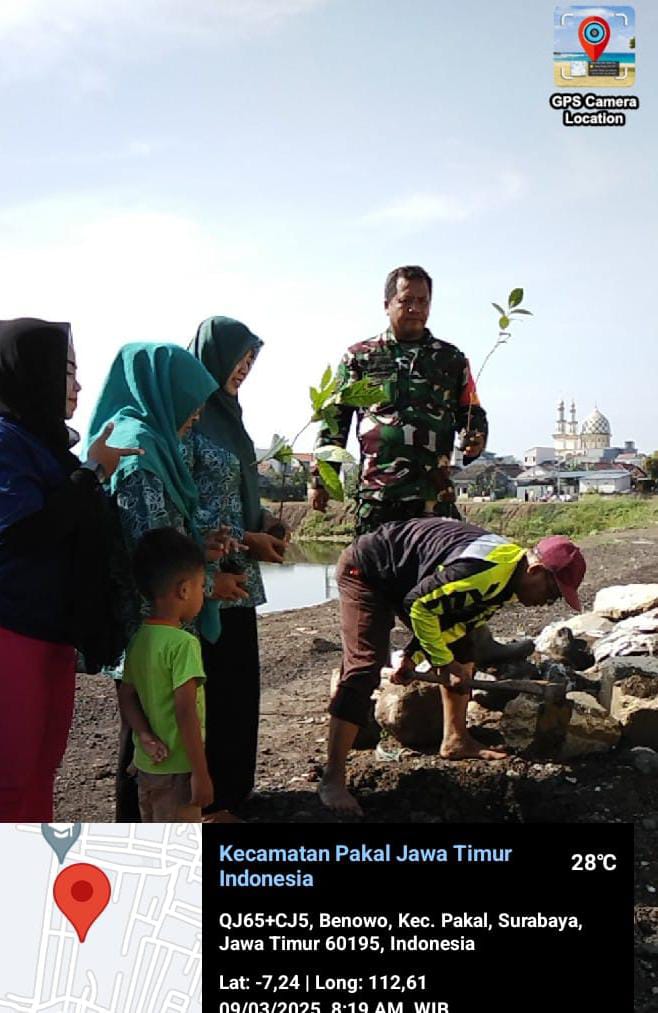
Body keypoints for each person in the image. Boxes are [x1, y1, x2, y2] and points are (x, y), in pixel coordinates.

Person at [318, 519, 586, 815]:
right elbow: (418, 605)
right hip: (367, 568)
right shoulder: (486, 572)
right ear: (536, 571)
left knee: (462, 646)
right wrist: (444, 664)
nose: (549, 602)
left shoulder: (509, 579)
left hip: (407, 579)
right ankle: (333, 778)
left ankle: (456, 739)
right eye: (552, 592)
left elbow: (455, 623)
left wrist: (412, 656)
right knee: (365, 666)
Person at [87, 342, 243, 821]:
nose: (195, 416)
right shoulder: (139, 456)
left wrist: (200, 549)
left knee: (148, 734)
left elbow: (164, 536)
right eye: (190, 403)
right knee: (150, 742)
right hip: (147, 621)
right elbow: (146, 548)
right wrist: (205, 581)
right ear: (165, 393)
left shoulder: (153, 446)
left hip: (157, 617)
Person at [0, 318, 141, 820]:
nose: (78, 385)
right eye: (66, 371)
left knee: (41, 774)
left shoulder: (49, 445)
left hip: (52, 634)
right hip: (13, 633)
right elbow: (24, 532)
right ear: (28, 372)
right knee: (13, 779)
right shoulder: (6, 441)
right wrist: (94, 471)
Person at [188, 316, 288, 821]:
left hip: (239, 577)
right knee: (206, 687)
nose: (244, 369)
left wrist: (266, 521)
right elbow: (181, 503)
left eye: (251, 361)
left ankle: (232, 792)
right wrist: (244, 535)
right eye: (238, 358)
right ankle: (208, 801)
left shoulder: (231, 415)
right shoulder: (186, 415)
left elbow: (237, 490)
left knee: (238, 685)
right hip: (200, 578)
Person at [309, 265, 488, 535]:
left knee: (437, 576)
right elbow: (334, 422)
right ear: (387, 304)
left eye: (422, 301)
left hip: (434, 499)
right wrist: (320, 480)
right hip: (379, 499)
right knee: (374, 575)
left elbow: (471, 412)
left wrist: (476, 437)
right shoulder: (360, 358)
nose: (415, 308)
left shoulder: (452, 359)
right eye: (406, 301)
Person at [118, 528, 212, 822]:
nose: (202, 594)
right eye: (200, 586)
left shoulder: (139, 638)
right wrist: (200, 773)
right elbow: (186, 713)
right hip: (179, 774)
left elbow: (126, 696)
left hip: (147, 769)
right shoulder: (184, 644)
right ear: (184, 590)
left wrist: (144, 734)